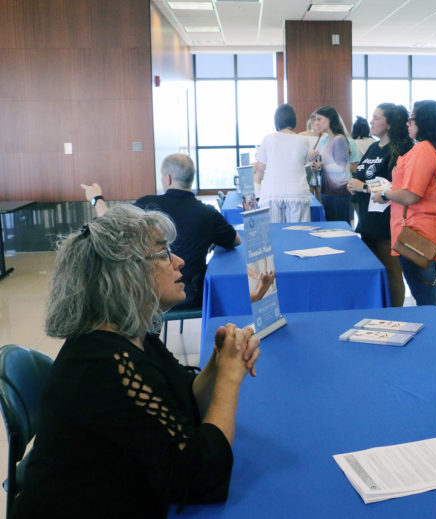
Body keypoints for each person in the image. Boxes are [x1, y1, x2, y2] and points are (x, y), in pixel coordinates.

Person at [11, 205, 260, 518]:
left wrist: (219, 361)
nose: (179, 261)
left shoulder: (131, 334)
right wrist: (229, 378)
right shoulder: (105, 366)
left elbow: (183, 402)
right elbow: (202, 475)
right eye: (164, 253)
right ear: (127, 275)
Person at [82, 154, 240, 310]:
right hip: (192, 296)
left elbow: (109, 228)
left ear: (168, 179)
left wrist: (97, 198)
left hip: (151, 295)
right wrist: (210, 239)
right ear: (191, 179)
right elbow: (236, 240)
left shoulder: (146, 206)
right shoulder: (209, 214)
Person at [372, 100, 436, 321]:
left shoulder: (424, 150)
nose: (408, 123)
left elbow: (410, 195)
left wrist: (385, 193)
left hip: (418, 237)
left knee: (426, 299)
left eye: (412, 119)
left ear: (425, 122)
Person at [347, 103, 413, 307]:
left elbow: (397, 187)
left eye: (376, 118)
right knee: (373, 271)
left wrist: (364, 187)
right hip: (368, 221)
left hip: (388, 222)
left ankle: (395, 313)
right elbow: (362, 175)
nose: (371, 122)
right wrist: (354, 186)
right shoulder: (374, 147)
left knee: (392, 271)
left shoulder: (402, 149)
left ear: (390, 123)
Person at [254, 104, 311, 223]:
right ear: (294, 120)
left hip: (272, 192)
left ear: (277, 121)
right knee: (298, 231)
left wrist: (257, 184)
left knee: (273, 232)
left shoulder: (268, 139)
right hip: (297, 192)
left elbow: (260, 168)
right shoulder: (303, 141)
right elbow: (305, 162)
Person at [311, 106, 352, 222]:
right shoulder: (328, 139)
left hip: (338, 192)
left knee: (339, 226)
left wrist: (321, 165)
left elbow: (341, 167)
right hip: (328, 191)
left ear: (329, 119)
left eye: (319, 119)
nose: (316, 123)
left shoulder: (339, 139)